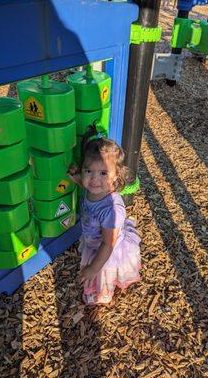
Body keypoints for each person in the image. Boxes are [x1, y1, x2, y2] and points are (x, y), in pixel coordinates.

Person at [68, 127, 141, 306]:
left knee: (102, 273)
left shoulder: (112, 209)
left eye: (103, 173)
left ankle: (104, 294)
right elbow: (85, 183)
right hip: (94, 241)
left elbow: (108, 244)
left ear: (116, 176)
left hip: (107, 251)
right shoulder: (95, 188)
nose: (94, 180)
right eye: (88, 171)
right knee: (94, 268)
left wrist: (93, 268)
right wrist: (75, 177)